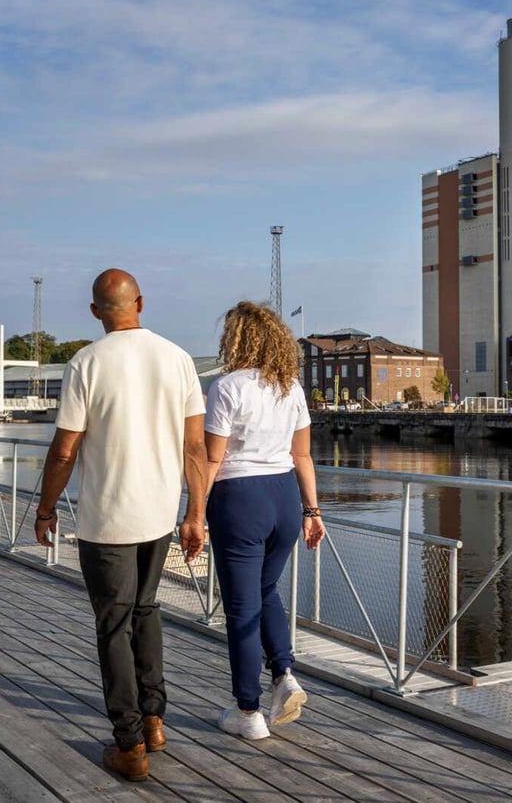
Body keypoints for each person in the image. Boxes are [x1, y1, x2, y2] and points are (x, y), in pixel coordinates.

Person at [34, 269, 206, 782]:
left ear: (95, 312)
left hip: (107, 519)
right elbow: (194, 447)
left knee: (113, 624)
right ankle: (153, 719)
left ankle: (129, 745)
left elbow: (65, 449)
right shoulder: (178, 360)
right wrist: (195, 513)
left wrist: (45, 510)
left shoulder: (85, 363)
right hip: (159, 516)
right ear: (141, 303)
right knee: (146, 611)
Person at [204, 300, 326, 739]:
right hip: (284, 498)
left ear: (235, 339)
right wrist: (312, 512)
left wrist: (193, 513)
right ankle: (284, 674)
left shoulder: (227, 387)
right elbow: (302, 455)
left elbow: (212, 459)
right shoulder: (290, 387)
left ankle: (248, 712)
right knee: (265, 590)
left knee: (241, 610)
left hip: (240, 500)